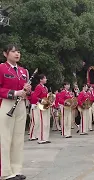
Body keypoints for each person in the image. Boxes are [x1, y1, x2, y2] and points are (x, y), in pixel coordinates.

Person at [0, 44, 31, 180]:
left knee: (18, 138)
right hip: (6, 103)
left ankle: (16, 169)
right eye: (13, 51)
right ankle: (5, 172)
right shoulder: (1, 68)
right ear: (5, 54)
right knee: (5, 138)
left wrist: (27, 90)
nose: (17, 54)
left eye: (18, 51)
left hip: (20, 105)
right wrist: (15, 93)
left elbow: (26, 92)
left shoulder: (23, 71)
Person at [31, 74, 51, 144]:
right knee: (42, 122)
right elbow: (34, 96)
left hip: (46, 105)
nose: (46, 79)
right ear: (41, 80)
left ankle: (45, 138)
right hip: (41, 106)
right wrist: (40, 100)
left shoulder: (45, 88)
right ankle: (41, 138)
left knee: (47, 123)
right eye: (45, 78)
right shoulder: (38, 87)